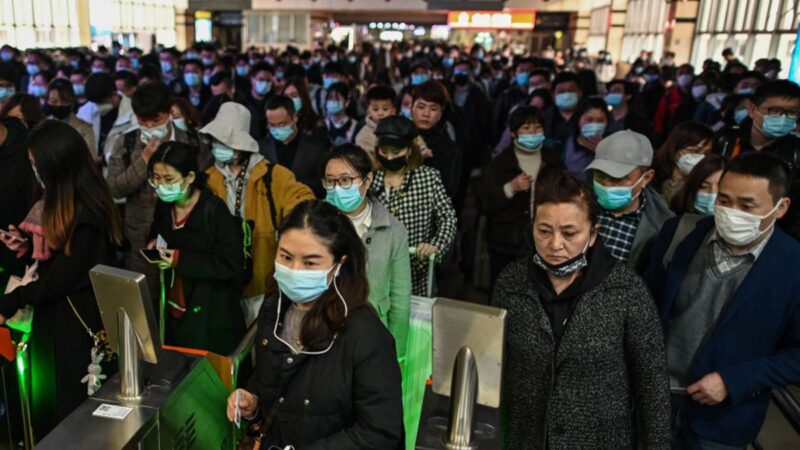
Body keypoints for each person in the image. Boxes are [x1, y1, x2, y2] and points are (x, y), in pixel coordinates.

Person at [492, 167, 670, 449]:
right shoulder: (512, 284)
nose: (555, 244)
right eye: (544, 231)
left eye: (570, 232)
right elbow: (496, 365)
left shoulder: (626, 291)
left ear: (594, 233)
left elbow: (652, 385)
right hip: (525, 436)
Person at [645, 152, 800, 449]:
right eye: (724, 200)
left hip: (721, 425)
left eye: (747, 205)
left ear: (781, 208)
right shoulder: (680, 235)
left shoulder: (792, 268)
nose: (731, 212)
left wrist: (733, 380)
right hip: (653, 404)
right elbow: (646, 307)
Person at [226, 200, 404, 449]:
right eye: (286, 257)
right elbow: (273, 377)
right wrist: (253, 402)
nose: (294, 270)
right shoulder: (274, 307)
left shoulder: (365, 334)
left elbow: (380, 433)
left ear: (338, 264)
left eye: (310, 263)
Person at [0, 120, 122, 439]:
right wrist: (25, 248)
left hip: (75, 333)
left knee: (73, 421)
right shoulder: (56, 202)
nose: (33, 172)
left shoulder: (88, 216)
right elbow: (52, 265)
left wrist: (9, 302)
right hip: (52, 325)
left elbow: (59, 280)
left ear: (56, 165)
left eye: (35, 164)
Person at [204, 102, 314, 325]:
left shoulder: (274, 175)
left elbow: (304, 201)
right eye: (216, 141)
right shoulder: (207, 178)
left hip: (263, 283)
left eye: (225, 141)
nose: (219, 146)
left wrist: (286, 233)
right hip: (221, 283)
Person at [146, 141, 245, 354]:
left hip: (211, 315)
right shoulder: (165, 205)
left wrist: (179, 260)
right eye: (156, 178)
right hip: (173, 308)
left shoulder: (214, 212)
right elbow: (157, 231)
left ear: (190, 177)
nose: (161, 185)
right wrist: (155, 243)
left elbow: (230, 264)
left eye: (168, 179)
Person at [107, 82, 203, 296]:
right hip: (140, 244)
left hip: (185, 241)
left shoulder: (192, 141)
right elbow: (114, 188)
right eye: (144, 121)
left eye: (156, 120)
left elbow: (203, 187)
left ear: (169, 112)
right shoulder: (126, 143)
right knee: (145, 304)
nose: (150, 126)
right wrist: (143, 161)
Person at [322, 144, 411, 359]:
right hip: (323, 332)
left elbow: (400, 297)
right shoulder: (314, 222)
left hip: (371, 336)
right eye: (330, 181)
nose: (337, 188)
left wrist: (396, 353)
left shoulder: (393, 230)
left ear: (367, 180)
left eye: (345, 180)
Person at [371, 115, 457, 296]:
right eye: (384, 151)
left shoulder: (427, 178)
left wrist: (436, 245)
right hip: (374, 274)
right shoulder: (369, 180)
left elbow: (447, 217)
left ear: (410, 150)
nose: (389, 157)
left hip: (416, 275)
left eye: (396, 152)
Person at [480, 106, 563, 287]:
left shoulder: (553, 161)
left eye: (537, 128)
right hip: (507, 239)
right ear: (513, 133)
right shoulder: (500, 163)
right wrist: (510, 188)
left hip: (544, 239)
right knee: (504, 288)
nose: (533, 133)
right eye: (526, 128)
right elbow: (485, 204)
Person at [717, 80, 800, 240]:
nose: (783, 118)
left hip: (775, 236)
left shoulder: (796, 152)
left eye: (791, 112)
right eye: (775, 111)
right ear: (752, 109)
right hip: (720, 225)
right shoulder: (725, 142)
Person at [587, 130, 674, 273]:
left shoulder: (662, 226)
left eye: (618, 178)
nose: (607, 184)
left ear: (646, 178)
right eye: (600, 175)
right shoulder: (577, 205)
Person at [261, 94, 328, 198]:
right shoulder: (261, 148)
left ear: (295, 117)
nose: (277, 129)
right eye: (272, 125)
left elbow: (323, 188)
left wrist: (292, 182)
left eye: (282, 124)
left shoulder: (316, 148)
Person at [412, 80, 462, 200]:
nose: (426, 114)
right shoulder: (398, 136)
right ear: (412, 108)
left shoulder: (449, 150)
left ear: (441, 112)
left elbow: (446, 194)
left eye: (433, 109)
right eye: (421, 107)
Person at [652, 122, 716, 206]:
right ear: (675, 148)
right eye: (695, 151)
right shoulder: (651, 176)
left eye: (706, 154)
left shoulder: (703, 187)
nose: (701, 158)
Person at [562, 97, 610, 182]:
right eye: (589, 120)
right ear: (578, 120)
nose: (594, 124)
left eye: (600, 120)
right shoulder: (563, 144)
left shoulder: (614, 146)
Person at [44, 78, 96, 155]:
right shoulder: (42, 126)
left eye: (64, 101)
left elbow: (90, 158)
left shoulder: (85, 129)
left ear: (72, 103)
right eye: (53, 101)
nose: (58, 105)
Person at [544, 71, 583, 153]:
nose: (566, 95)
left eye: (571, 91)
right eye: (561, 91)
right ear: (553, 95)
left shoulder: (590, 117)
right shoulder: (544, 119)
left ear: (580, 93)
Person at [354, 84, 396, 161]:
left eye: (385, 109)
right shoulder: (363, 136)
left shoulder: (402, 126)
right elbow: (365, 162)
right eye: (375, 109)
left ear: (393, 111)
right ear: (368, 111)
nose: (380, 113)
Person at [323, 82, 357, 146]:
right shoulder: (322, 124)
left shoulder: (354, 126)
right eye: (330, 98)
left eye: (337, 98)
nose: (333, 101)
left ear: (347, 102)